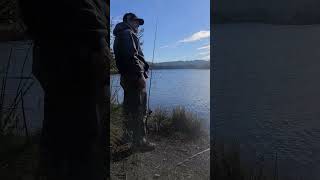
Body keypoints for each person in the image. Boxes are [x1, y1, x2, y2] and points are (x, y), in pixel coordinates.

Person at [18, 0, 109, 179]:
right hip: (78, 50)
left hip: (55, 48)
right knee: (85, 138)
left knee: (58, 132)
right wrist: (98, 37)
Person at [113, 12, 155, 152]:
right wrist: (140, 74)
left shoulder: (121, 33)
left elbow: (129, 56)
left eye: (138, 22)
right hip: (134, 77)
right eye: (136, 21)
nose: (138, 25)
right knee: (139, 109)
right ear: (128, 20)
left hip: (127, 77)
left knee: (129, 107)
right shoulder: (127, 33)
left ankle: (127, 136)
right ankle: (140, 141)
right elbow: (131, 56)